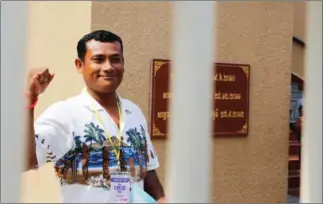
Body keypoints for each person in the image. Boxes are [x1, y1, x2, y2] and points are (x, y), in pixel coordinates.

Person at [26, 30, 166, 203]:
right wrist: (29, 101)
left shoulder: (133, 112)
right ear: (79, 65)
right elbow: (26, 160)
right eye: (98, 59)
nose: (108, 67)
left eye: (115, 59)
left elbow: (148, 171)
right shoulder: (65, 114)